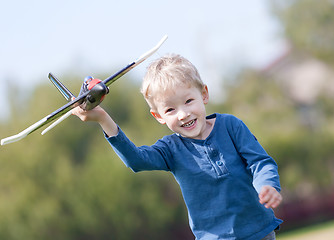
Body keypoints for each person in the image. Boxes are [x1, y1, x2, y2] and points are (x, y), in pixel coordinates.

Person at [72, 54, 283, 240]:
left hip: (260, 232)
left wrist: (267, 185)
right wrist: (103, 118)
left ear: (204, 95)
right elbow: (136, 160)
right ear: (158, 116)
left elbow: (259, 162)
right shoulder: (171, 149)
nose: (183, 114)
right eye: (170, 109)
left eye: (189, 101)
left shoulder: (231, 126)